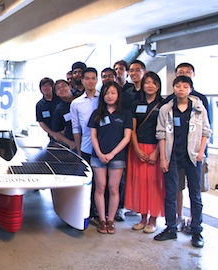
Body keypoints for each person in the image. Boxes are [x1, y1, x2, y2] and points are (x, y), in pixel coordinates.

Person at [154, 76, 211, 248]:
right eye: (178, 86)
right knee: (170, 193)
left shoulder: (199, 108)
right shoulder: (166, 109)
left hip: (193, 157)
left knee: (195, 195)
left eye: (185, 86)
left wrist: (201, 153)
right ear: (173, 88)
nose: (181, 89)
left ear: (190, 89)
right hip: (172, 157)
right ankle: (171, 228)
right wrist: (163, 157)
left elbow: (206, 132)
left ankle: (196, 231)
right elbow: (161, 134)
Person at [88, 81, 132, 234]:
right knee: (100, 187)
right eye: (107, 93)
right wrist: (100, 153)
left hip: (117, 157)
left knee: (114, 188)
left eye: (113, 93)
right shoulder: (97, 113)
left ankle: (111, 220)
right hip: (98, 156)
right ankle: (101, 219)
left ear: (118, 95)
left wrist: (112, 154)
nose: (110, 96)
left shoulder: (125, 114)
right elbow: (93, 135)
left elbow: (127, 137)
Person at [125, 72, 165, 234]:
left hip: (156, 149)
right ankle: (142, 218)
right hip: (138, 149)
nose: (150, 85)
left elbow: (165, 131)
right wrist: (136, 148)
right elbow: (132, 129)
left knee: (154, 184)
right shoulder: (136, 103)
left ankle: (153, 219)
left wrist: (156, 152)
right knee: (139, 182)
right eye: (147, 82)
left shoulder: (163, 104)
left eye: (153, 83)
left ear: (158, 85)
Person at [70, 67, 100, 219]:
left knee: (102, 183)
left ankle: (100, 211)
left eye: (93, 78)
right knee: (89, 180)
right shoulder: (76, 103)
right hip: (86, 147)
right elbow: (76, 127)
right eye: (87, 78)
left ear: (97, 80)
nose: (90, 81)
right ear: (82, 80)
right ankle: (87, 211)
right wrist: (79, 148)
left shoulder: (103, 99)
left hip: (103, 146)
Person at [51, 79, 76, 150]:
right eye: (58, 88)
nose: (62, 89)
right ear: (56, 93)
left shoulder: (81, 99)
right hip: (73, 140)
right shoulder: (59, 110)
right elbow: (56, 131)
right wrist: (70, 143)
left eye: (64, 86)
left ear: (70, 87)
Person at [35, 77, 61, 143]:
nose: (46, 88)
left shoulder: (60, 99)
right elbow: (41, 122)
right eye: (43, 86)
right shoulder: (40, 105)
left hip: (66, 134)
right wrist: (53, 134)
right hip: (53, 137)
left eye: (48, 86)